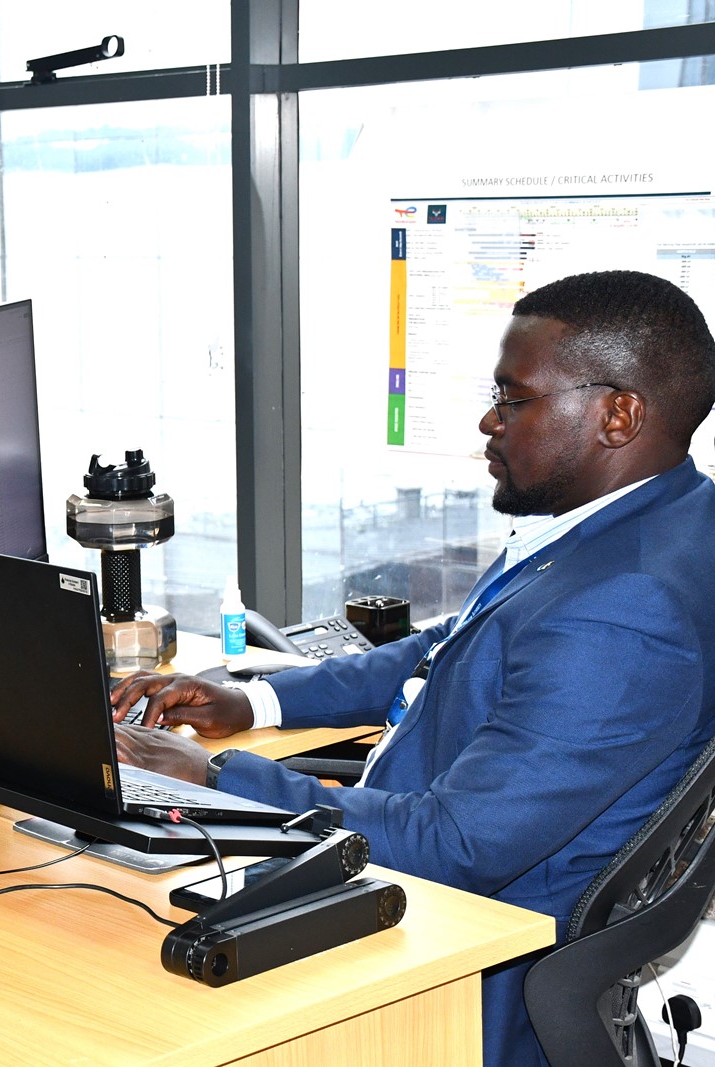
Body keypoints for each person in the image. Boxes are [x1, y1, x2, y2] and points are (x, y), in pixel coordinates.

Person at [110, 270, 715, 1067]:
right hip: (426, 867)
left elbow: (455, 845)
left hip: (453, 958)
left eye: (514, 398)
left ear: (618, 414)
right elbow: (448, 643)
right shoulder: (651, 521)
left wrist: (218, 777)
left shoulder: (623, 611)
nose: (488, 420)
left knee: (116, 981)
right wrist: (253, 701)